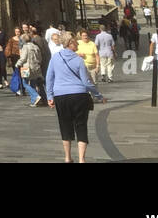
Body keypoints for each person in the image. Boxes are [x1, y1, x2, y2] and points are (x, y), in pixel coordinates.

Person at [46, 34, 98, 163]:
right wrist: (98, 95)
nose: (78, 44)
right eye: (75, 42)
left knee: (65, 125)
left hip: (60, 96)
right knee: (81, 125)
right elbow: (86, 82)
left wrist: (49, 96)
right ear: (70, 43)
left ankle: (68, 157)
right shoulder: (78, 60)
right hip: (79, 95)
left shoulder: (55, 58)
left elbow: (49, 78)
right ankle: (81, 159)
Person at [18, 33, 44, 106]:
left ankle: (36, 96)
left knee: (25, 83)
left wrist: (17, 64)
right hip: (36, 67)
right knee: (33, 83)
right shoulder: (36, 47)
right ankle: (34, 101)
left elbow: (23, 58)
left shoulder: (25, 47)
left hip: (26, 67)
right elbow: (40, 58)